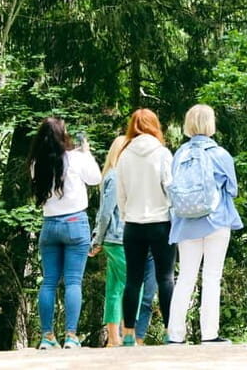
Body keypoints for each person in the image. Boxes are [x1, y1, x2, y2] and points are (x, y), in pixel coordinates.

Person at [167, 104, 243, 345]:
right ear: (211, 124)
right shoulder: (220, 155)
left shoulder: (180, 154)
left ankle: (175, 335)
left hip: (186, 223)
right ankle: (209, 334)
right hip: (216, 221)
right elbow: (233, 189)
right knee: (212, 276)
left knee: (185, 277)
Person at [28, 117, 102, 349]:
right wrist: (86, 153)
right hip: (75, 223)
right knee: (73, 282)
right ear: (63, 136)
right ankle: (71, 335)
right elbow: (96, 178)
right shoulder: (76, 158)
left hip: (50, 225)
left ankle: (47, 337)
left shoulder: (36, 163)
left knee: (49, 282)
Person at [89, 135, 157, 346]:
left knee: (115, 287)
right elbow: (105, 213)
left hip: (116, 239)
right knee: (134, 285)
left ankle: (113, 338)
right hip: (119, 239)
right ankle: (128, 334)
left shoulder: (114, 174)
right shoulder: (118, 175)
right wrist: (97, 240)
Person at [116, 109, 176, 346]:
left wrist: (126, 214)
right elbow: (170, 187)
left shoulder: (124, 155)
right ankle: (171, 331)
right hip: (160, 222)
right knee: (166, 278)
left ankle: (128, 333)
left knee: (133, 280)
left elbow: (121, 193)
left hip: (133, 224)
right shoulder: (162, 153)